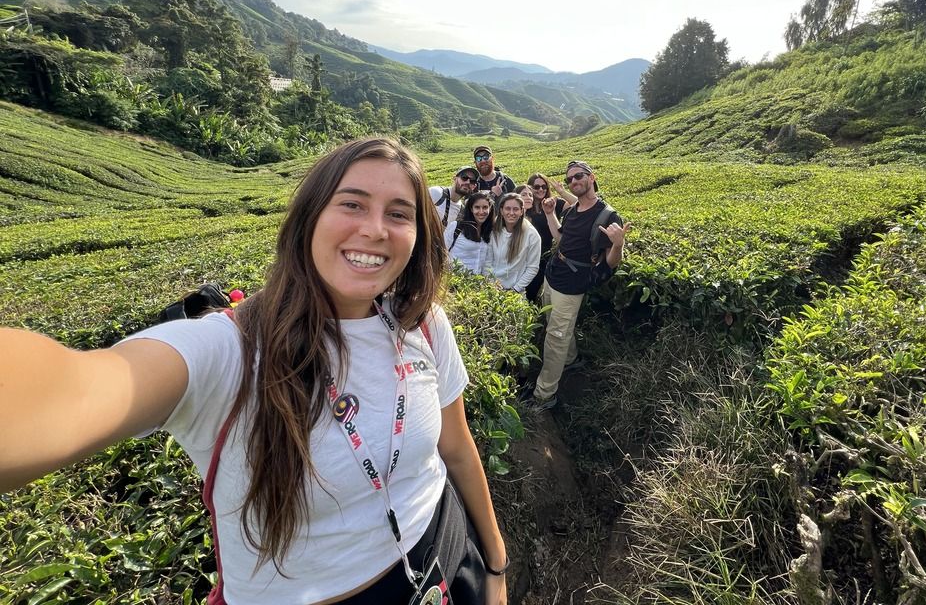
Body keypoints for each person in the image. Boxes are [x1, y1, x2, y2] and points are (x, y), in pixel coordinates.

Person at [0, 137, 509, 605]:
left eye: (399, 214)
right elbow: (76, 389)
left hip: (444, 558)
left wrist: (495, 567)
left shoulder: (422, 324)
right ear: (308, 218)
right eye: (351, 204)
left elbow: (456, 448)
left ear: (419, 235)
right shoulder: (227, 350)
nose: (375, 229)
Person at [526, 160, 630, 412]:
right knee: (556, 325)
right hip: (554, 274)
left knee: (556, 337)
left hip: (572, 284)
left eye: (578, 176)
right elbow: (561, 238)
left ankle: (544, 394)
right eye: (570, 179)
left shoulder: (607, 215)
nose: (574, 181)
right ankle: (572, 360)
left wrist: (618, 244)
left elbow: (610, 262)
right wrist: (550, 214)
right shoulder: (573, 210)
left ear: (591, 177)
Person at [523, 173, 570, 303]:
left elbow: (579, 205)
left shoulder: (554, 203)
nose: (541, 190)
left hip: (545, 256)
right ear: (530, 187)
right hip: (527, 256)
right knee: (527, 291)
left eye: (544, 186)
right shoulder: (526, 206)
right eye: (536, 187)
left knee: (539, 291)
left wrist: (562, 192)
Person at [486, 193, 541, 294]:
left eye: (515, 209)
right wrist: (491, 284)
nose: (511, 213)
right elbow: (487, 261)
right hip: (492, 288)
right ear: (502, 211)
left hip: (515, 292)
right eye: (508, 208)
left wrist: (515, 289)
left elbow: (532, 268)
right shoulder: (493, 231)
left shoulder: (531, 234)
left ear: (521, 211)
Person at [444, 190, 495, 275]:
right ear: (471, 209)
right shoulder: (456, 227)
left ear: (490, 208)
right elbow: (442, 252)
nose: (481, 211)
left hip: (476, 284)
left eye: (485, 207)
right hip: (454, 281)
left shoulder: (490, 231)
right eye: (477, 207)